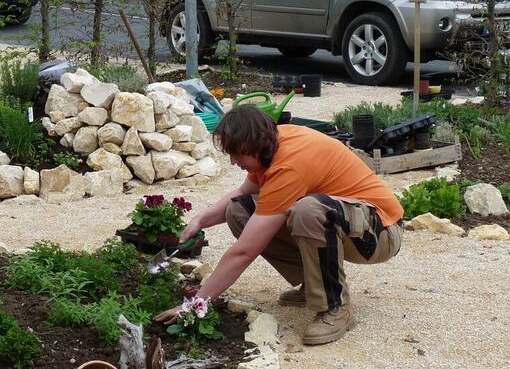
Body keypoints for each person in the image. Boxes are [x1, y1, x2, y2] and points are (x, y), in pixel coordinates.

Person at [155, 105, 404, 345]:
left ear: (255, 143)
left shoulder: (290, 165)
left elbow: (244, 251)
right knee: (239, 210)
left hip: (380, 233)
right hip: (353, 223)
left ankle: (335, 307)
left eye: (237, 154)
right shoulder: (271, 144)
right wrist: (200, 221)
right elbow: (243, 192)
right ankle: (313, 285)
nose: (233, 162)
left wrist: (195, 304)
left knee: (309, 210)